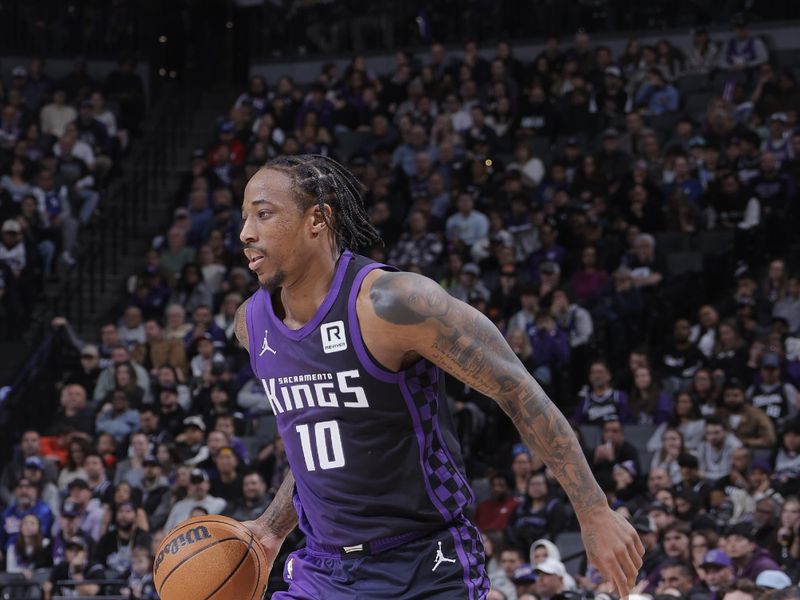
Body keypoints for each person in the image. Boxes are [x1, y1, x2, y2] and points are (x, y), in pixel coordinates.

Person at [235, 156, 643, 598]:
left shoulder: (395, 303)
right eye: (243, 218)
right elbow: (322, 434)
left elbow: (518, 391)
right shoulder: (252, 325)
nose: (246, 233)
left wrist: (594, 510)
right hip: (323, 570)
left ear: (318, 218)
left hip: (425, 565)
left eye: (263, 213)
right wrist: (272, 528)